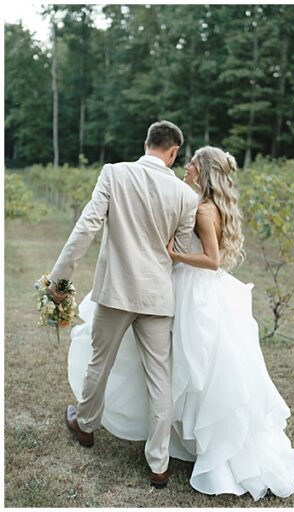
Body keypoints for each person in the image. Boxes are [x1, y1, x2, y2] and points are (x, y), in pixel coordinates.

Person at [68, 146, 294, 500]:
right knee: (179, 369)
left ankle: (170, 441)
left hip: (194, 289)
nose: (186, 166)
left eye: (192, 163)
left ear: (204, 171)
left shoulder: (202, 209)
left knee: (185, 368)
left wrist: (173, 254)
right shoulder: (205, 204)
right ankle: (166, 444)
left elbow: (211, 259)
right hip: (200, 288)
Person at [53, 120, 198, 488]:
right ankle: (159, 463)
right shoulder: (185, 195)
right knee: (159, 379)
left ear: (146, 142)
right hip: (157, 296)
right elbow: (179, 253)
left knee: (99, 361)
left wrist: (60, 277)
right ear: (174, 151)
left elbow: (87, 226)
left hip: (116, 291)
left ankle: (85, 426)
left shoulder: (114, 174)